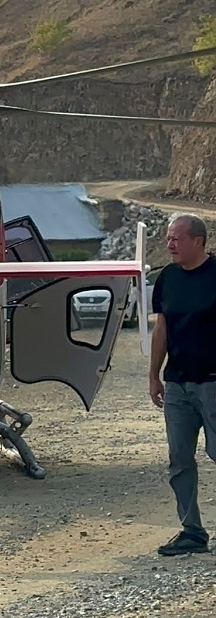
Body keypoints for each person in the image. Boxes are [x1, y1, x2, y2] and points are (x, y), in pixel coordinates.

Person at [148, 213, 216, 556]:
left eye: (176, 238)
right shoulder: (167, 278)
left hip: (214, 384)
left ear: (198, 242)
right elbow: (162, 329)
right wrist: (153, 375)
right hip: (177, 384)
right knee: (179, 460)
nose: (169, 244)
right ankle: (192, 531)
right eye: (169, 238)